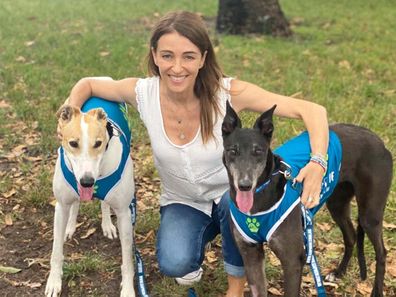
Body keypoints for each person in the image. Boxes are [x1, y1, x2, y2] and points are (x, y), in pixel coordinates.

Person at [62, 11, 329, 297]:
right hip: (183, 200)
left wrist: (318, 162)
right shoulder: (144, 93)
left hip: (233, 195)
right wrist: (68, 120)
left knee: (232, 203)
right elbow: (88, 84)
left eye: (188, 56)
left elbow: (313, 111)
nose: (177, 67)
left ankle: (236, 286)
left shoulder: (228, 93)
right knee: (175, 263)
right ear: (154, 56)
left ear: (203, 58)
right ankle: (207, 237)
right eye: (167, 56)